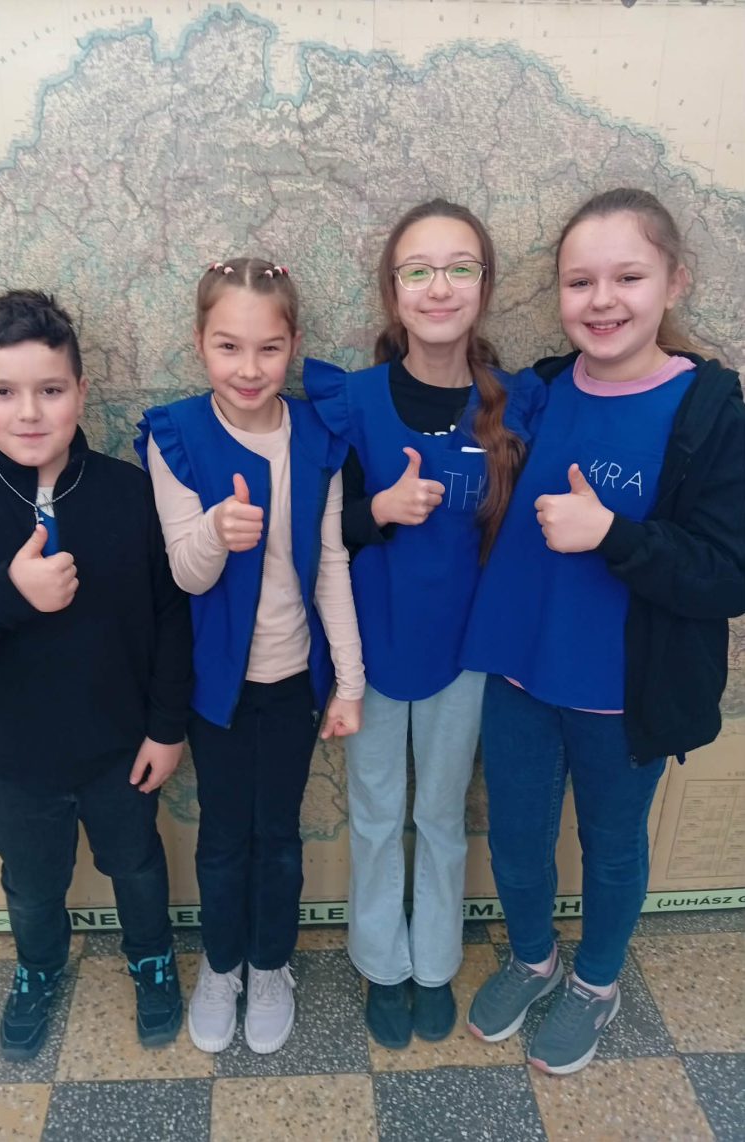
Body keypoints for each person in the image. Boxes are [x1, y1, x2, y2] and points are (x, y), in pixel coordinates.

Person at [463, 188, 745, 1074]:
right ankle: (533, 959)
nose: (603, 300)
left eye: (629, 277)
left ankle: (595, 982)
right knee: (516, 838)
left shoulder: (709, 408)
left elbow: (726, 572)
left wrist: (612, 534)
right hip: (520, 674)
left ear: (675, 281)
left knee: (612, 846)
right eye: (580, 281)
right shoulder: (542, 389)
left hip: (624, 694)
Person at [0, 290, 193, 1061]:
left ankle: (151, 958)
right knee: (31, 885)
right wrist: (6, 594)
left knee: (136, 865)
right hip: (15, 763)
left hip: (122, 749)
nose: (29, 412)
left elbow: (171, 619)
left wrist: (167, 729)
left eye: (50, 389)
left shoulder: (131, 494)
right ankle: (38, 967)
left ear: (81, 391)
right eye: (3, 391)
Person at [303, 200, 544, 1049]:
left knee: (442, 816)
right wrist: (378, 510)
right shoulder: (351, 401)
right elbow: (319, 536)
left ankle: (434, 964)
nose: (439, 287)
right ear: (393, 289)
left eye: (459, 268)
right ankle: (383, 963)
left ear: (484, 284)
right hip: (369, 654)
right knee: (376, 814)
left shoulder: (515, 403)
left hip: (465, 655)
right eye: (418, 270)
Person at [136, 258, 364, 1055]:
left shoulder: (317, 436)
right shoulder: (176, 435)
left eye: (268, 348)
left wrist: (350, 681)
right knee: (225, 836)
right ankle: (222, 964)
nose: (248, 367)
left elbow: (331, 562)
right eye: (228, 346)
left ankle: (270, 965)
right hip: (216, 689)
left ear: (293, 345)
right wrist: (216, 531)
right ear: (200, 344)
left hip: (293, 681)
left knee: (278, 836)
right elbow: (185, 571)